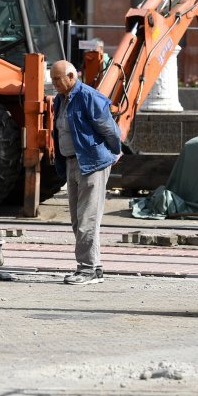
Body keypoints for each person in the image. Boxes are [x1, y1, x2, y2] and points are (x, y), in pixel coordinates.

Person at [50, 60, 122, 285]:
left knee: (87, 219)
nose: (54, 84)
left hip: (92, 163)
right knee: (77, 219)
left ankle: (87, 269)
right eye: (52, 79)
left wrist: (112, 154)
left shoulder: (89, 97)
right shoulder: (59, 100)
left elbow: (110, 130)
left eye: (57, 79)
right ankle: (95, 266)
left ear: (72, 77)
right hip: (72, 162)